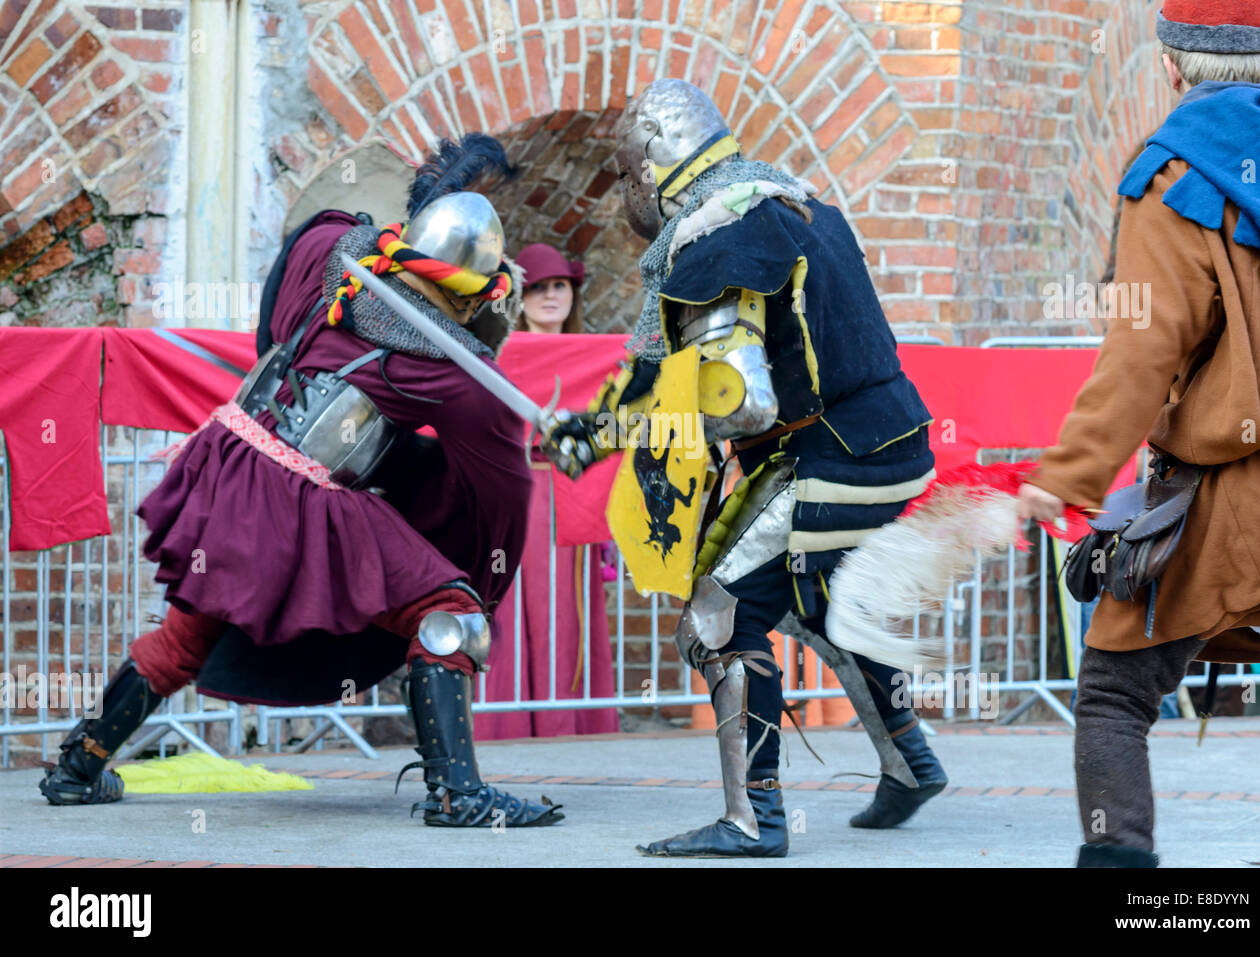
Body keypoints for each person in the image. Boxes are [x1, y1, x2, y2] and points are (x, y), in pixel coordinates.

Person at [38, 134, 563, 829]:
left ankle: (78, 766)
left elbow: (286, 290)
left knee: (187, 635)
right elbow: (500, 494)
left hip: (227, 462)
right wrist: (485, 586)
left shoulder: (334, 253)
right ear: (473, 292)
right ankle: (457, 794)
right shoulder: (448, 366)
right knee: (450, 611)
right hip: (298, 496)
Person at [541, 78, 948, 857]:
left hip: (830, 455)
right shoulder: (794, 204)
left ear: (658, 162)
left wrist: (612, 432)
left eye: (629, 174)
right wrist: (595, 430)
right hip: (892, 443)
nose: (628, 192)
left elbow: (741, 400)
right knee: (815, 602)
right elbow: (681, 378)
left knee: (719, 607)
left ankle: (751, 816)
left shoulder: (715, 236)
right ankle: (910, 760)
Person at [1018, 0, 1260, 866]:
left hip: (1250, 493)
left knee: (1111, 688)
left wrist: (1067, 475)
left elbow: (1142, 352)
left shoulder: (1174, 177)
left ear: (1171, 67)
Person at [476, 243, 620, 739]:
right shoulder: (497, 352)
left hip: (575, 490)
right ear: (520, 297)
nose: (550, 296)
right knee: (509, 602)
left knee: (567, 608)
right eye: (537, 287)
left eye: (558, 285)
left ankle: (568, 723)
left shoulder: (597, 355)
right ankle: (506, 724)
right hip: (517, 487)